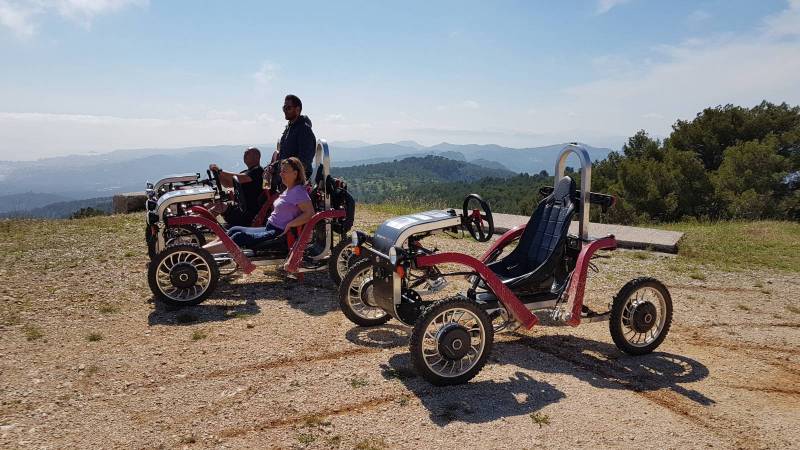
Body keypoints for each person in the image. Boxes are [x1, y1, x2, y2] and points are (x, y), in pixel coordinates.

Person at [204, 157, 313, 252]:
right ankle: (199, 251)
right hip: (269, 227)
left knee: (239, 237)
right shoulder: (288, 189)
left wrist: (290, 224)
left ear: (295, 173)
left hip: (277, 232)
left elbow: (309, 213)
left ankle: (200, 254)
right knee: (234, 229)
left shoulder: (298, 191)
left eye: (285, 171)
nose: (281, 174)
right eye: (281, 171)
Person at [208, 147, 264, 227]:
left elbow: (240, 178)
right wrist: (217, 174)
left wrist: (220, 171)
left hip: (248, 213)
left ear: (256, 157)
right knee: (210, 205)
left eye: (247, 153)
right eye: (244, 153)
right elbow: (227, 184)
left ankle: (200, 227)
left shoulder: (258, 171)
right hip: (240, 208)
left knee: (219, 207)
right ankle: (197, 227)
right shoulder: (246, 172)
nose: (244, 156)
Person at [271, 94, 316, 184]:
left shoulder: (304, 130)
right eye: (284, 108)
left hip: (294, 183)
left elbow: (304, 162)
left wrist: (290, 181)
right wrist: (273, 166)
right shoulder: (290, 128)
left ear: (297, 109)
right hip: (285, 179)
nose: (285, 111)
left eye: (288, 108)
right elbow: (284, 156)